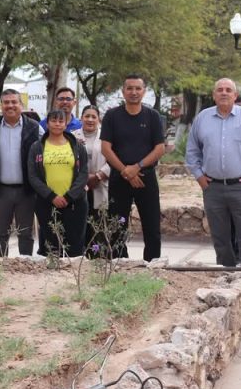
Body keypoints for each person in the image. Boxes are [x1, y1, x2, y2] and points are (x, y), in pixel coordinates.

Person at [186, 78, 241, 303]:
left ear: (235, 95)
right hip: (212, 188)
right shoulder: (202, 119)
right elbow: (192, 151)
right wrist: (200, 178)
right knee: (220, 237)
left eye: (228, 90)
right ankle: (227, 279)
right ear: (213, 95)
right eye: (220, 90)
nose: (224, 93)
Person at [100, 75, 165, 261]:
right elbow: (106, 148)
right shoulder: (112, 116)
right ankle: (119, 263)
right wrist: (125, 171)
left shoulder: (152, 116)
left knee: (152, 226)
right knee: (117, 226)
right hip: (119, 178)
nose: (134, 92)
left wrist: (136, 167)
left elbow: (159, 148)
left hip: (146, 176)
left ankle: (152, 264)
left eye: (138, 88)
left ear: (144, 91)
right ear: (123, 91)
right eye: (130, 88)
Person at [0, 89, 43, 256]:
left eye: (14, 102)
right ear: (1, 105)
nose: (10, 105)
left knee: (25, 232)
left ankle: (25, 266)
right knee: (0, 232)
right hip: (0, 190)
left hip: (27, 190)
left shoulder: (34, 128)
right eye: (6, 102)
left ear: (21, 105)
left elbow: (47, 148)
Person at [28, 110, 89, 257]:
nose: (57, 124)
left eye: (61, 121)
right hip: (47, 202)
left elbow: (83, 173)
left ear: (66, 123)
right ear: (47, 123)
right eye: (53, 121)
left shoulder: (77, 146)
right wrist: (51, 196)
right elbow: (33, 176)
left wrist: (69, 197)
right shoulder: (37, 147)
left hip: (74, 203)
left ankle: (73, 277)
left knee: (74, 245)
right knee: (50, 245)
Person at [73, 105, 111, 249]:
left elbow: (114, 159)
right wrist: (83, 178)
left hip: (100, 184)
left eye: (93, 117)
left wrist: (100, 175)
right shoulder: (72, 136)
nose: (90, 119)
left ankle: (98, 259)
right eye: (86, 116)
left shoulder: (106, 136)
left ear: (98, 119)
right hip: (78, 186)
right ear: (81, 118)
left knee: (98, 225)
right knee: (80, 225)